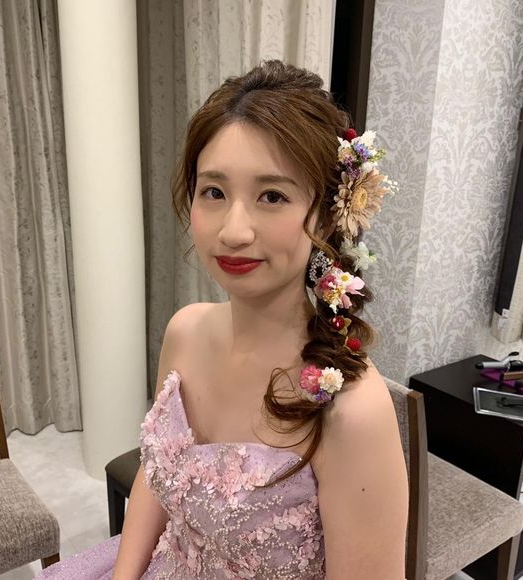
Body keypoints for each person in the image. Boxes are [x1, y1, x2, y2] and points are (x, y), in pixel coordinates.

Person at [36, 59, 408, 580]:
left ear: (327, 216)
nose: (233, 231)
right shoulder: (185, 331)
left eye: (272, 196)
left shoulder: (351, 409)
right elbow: (159, 475)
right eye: (214, 192)